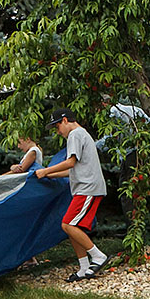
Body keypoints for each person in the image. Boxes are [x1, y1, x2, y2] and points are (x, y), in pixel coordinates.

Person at [34, 108, 109, 282]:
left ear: (65, 120)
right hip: (84, 188)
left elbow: (70, 162)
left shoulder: (75, 134)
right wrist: (49, 175)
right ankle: (83, 267)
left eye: (57, 126)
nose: (58, 132)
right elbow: (72, 170)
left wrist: (45, 170)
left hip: (87, 188)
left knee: (68, 225)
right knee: (73, 229)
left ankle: (98, 256)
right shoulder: (82, 134)